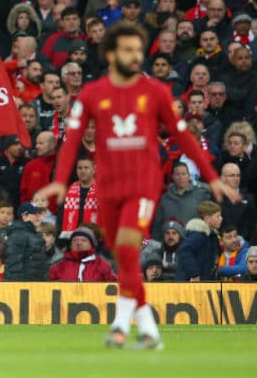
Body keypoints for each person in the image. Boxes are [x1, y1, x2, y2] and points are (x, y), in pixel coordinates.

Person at [37, 22, 238, 350]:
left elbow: (183, 136)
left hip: (142, 187)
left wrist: (211, 175)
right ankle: (148, 330)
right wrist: (60, 181)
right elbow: (72, 139)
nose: (135, 56)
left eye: (138, 50)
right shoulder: (92, 94)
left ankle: (121, 326)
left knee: (129, 250)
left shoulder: (155, 92)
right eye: (128, 50)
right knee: (123, 258)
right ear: (112, 53)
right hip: (108, 188)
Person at [175, 201, 224, 282]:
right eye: (217, 216)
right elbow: (184, 250)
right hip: (190, 283)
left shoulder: (211, 235)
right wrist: (194, 274)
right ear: (207, 218)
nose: (221, 218)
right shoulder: (198, 235)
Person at [48, 227, 117, 282]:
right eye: (75, 240)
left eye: (84, 240)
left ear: (91, 244)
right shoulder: (58, 265)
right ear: (70, 245)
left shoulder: (103, 264)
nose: (78, 243)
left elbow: (114, 286)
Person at [4, 202, 49, 281]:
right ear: (25, 216)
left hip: (35, 286)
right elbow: (14, 267)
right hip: (23, 288)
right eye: (35, 214)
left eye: (39, 214)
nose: (39, 217)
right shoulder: (18, 234)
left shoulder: (32, 234)